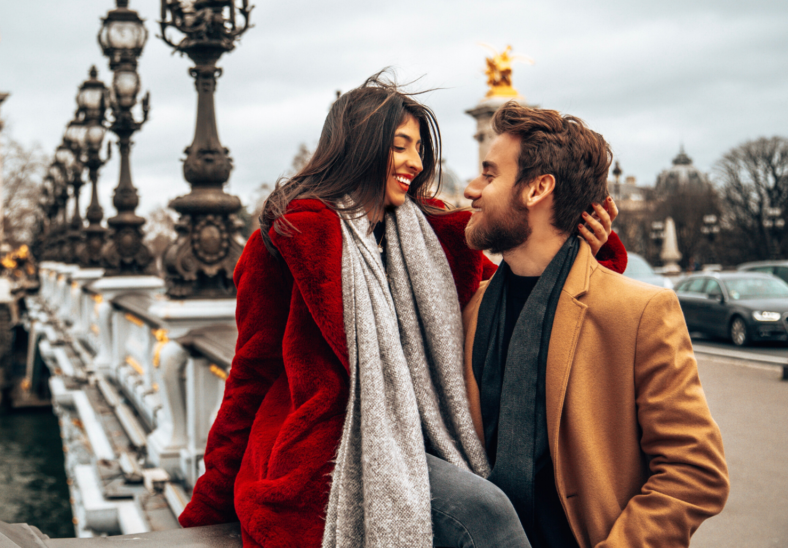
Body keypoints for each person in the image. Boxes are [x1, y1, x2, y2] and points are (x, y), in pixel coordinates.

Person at [179, 75, 626, 547]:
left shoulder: (435, 241)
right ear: (359, 147)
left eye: (418, 149)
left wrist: (589, 255)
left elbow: (521, 290)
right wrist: (205, 510)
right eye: (400, 147)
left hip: (424, 439)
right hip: (328, 458)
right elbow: (251, 375)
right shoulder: (291, 239)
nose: (416, 162)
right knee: (485, 512)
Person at [460, 101, 729, 547]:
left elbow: (694, 472)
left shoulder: (640, 312)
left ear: (536, 189)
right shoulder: (472, 309)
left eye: (490, 176)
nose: (471, 188)